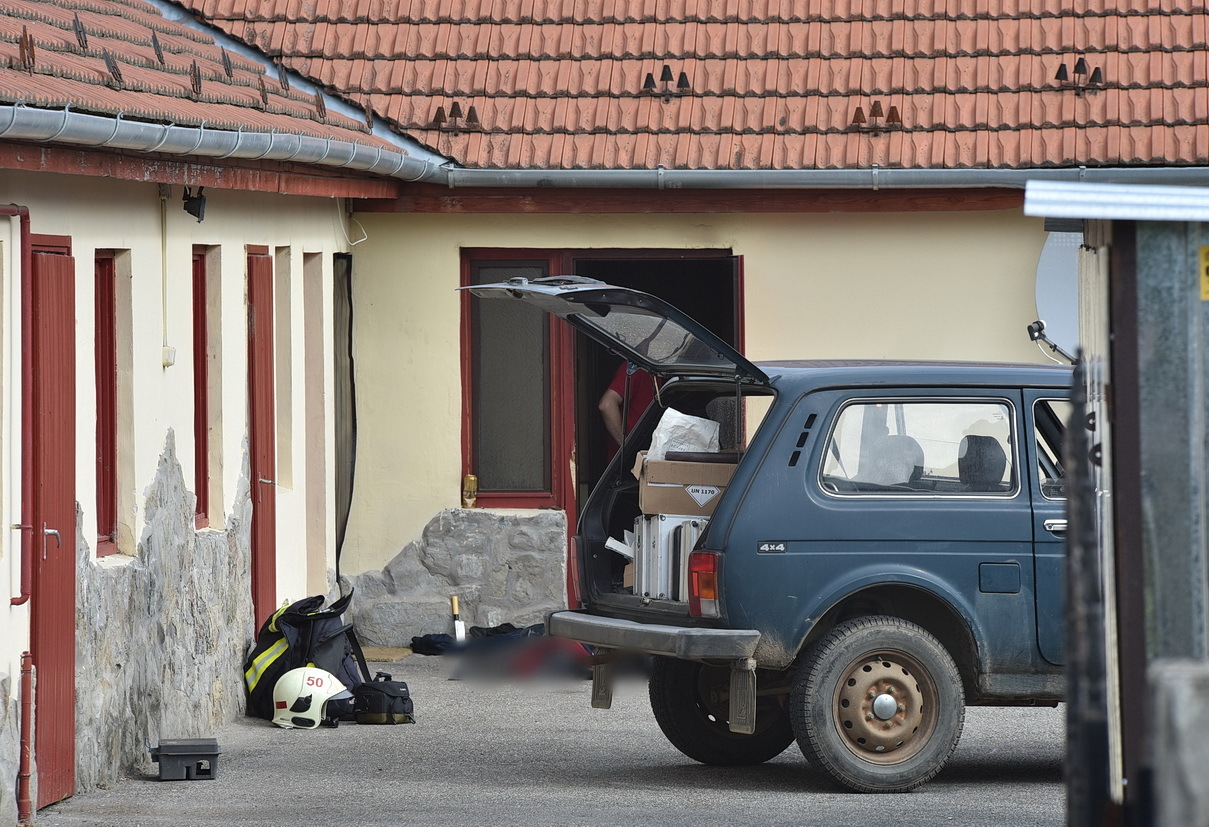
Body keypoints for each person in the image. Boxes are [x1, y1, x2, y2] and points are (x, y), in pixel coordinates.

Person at [598, 362, 658, 453]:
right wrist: (625, 445)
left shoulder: (658, 373)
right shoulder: (634, 369)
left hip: (646, 451)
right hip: (629, 457)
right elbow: (607, 404)